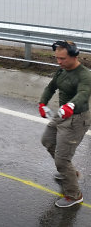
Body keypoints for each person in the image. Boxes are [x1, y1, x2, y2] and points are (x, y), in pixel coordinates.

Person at [39, 40, 91, 208]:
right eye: (57, 58)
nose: (59, 62)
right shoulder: (61, 71)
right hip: (62, 114)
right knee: (47, 141)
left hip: (77, 119)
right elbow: (50, 87)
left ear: (74, 55)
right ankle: (70, 173)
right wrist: (42, 103)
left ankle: (74, 195)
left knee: (62, 160)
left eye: (62, 58)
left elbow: (83, 93)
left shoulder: (84, 75)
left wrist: (71, 105)